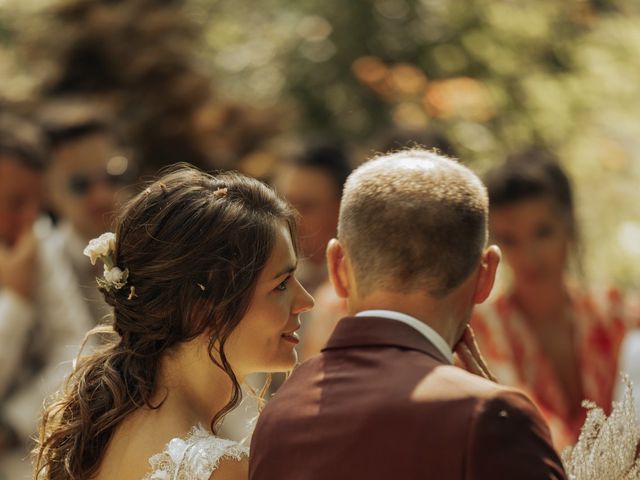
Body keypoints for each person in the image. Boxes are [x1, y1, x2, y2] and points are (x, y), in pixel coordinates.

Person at [249, 149, 566, 480]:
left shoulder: (279, 413)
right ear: (486, 276)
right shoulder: (487, 419)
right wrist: (499, 413)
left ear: (338, 268)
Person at [34, 165, 314, 480]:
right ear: (202, 309)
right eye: (280, 284)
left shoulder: (103, 436)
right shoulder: (222, 471)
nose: (305, 301)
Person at [471, 149, 628, 449]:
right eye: (509, 239)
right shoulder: (480, 333)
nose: (529, 256)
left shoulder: (618, 314)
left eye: (542, 232)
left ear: (568, 228)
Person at [0, 114, 91, 479]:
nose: (29, 217)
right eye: (15, 201)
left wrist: (12, 423)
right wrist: (16, 302)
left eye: (38, 203)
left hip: (22, 446)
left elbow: (75, 349)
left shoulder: (34, 240)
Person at [41, 101, 137, 325]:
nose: (102, 196)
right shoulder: (40, 269)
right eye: (79, 184)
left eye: (114, 175)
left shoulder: (159, 249)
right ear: (46, 191)